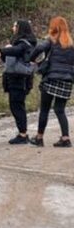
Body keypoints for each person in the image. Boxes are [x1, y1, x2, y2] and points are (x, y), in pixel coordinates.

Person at [28, 16, 74, 148]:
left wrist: (31, 60)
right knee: (60, 110)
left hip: (51, 78)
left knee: (45, 110)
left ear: (53, 27)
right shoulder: (71, 44)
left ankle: (39, 138)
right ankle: (65, 139)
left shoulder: (51, 40)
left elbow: (38, 49)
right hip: (67, 80)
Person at [0, 20, 37, 144]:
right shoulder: (17, 43)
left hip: (20, 79)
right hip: (14, 78)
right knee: (16, 105)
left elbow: (17, 51)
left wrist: (2, 51)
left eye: (14, 26)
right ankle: (22, 132)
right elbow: (11, 58)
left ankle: (23, 134)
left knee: (17, 105)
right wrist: (4, 53)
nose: (12, 28)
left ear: (20, 28)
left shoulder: (25, 43)